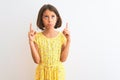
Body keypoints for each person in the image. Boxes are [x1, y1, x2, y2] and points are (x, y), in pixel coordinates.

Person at [28, 4, 70, 80]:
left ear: (57, 18)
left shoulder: (61, 37)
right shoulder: (37, 37)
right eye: (46, 17)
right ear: (41, 19)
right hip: (42, 74)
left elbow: (63, 59)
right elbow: (37, 61)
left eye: (53, 16)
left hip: (57, 73)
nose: (50, 20)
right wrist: (31, 42)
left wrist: (69, 41)